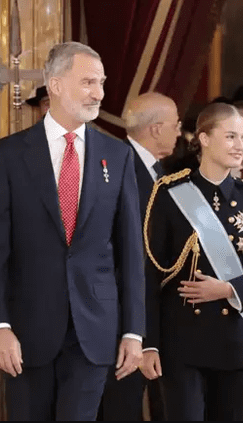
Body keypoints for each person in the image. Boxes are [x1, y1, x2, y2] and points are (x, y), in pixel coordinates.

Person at [0, 41, 145, 421]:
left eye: (100, 83)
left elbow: (131, 250)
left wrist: (134, 331)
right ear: (55, 84)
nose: (98, 93)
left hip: (95, 332)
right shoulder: (8, 155)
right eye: (87, 82)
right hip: (25, 333)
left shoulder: (117, 156)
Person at [140, 103, 243, 420]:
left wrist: (227, 289)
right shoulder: (170, 193)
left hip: (235, 341)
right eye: (230, 136)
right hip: (183, 342)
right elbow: (152, 276)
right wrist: (149, 344)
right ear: (205, 138)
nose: (240, 145)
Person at [97, 92, 180, 421]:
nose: (180, 132)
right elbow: (126, 258)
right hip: (120, 326)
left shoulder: (157, 171)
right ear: (157, 129)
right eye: (175, 125)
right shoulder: (120, 168)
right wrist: (136, 333)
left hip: (146, 323)